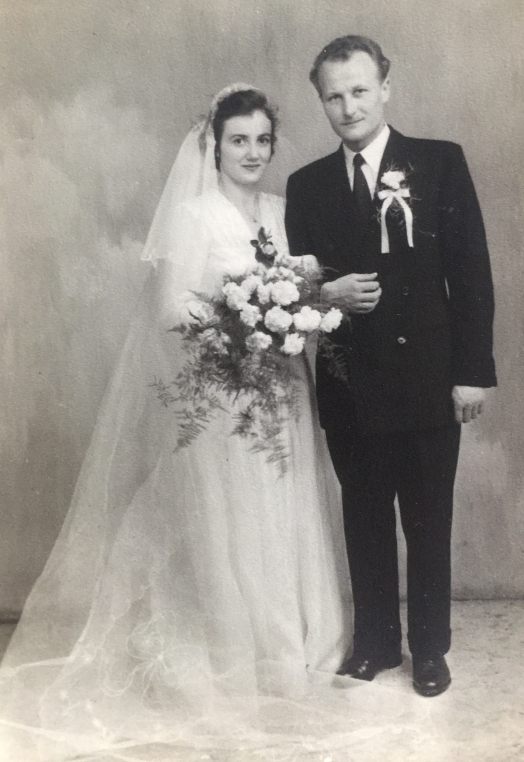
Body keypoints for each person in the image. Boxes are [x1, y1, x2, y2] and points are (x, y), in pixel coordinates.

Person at [0, 84, 350, 760]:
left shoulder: (283, 211)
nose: (251, 152)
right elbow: (170, 312)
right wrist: (242, 318)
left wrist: (290, 306)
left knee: (289, 510)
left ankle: (296, 653)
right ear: (214, 146)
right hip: (225, 396)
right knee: (234, 520)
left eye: (260, 140)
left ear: (273, 145)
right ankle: (238, 659)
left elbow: (302, 289)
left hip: (283, 391)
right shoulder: (194, 217)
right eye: (237, 141)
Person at [285, 36, 497, 697]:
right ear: (320, 101)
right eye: (333, 95)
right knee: (365, 515)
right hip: (352, 385)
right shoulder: (307, 184)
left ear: (385, 88)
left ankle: (430, 650)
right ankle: (374, 643)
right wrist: (327, 294)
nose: (347, 107)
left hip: (430, 379)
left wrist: (472, 372)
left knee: (428, 518)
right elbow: (292, 289)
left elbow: (470, 273)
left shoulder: (437, 163)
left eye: (358, 90)